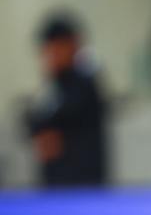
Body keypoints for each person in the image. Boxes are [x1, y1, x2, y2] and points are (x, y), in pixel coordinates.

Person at [23, 12, 108, 186]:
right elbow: (33, 122)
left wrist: (52, 133)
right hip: (56, 187)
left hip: (81, 189)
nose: (50, 55)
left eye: (56, 48)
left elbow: (66, 116)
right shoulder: (54, 86)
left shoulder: (85, 83)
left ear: (72, 46)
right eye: (47, 50)